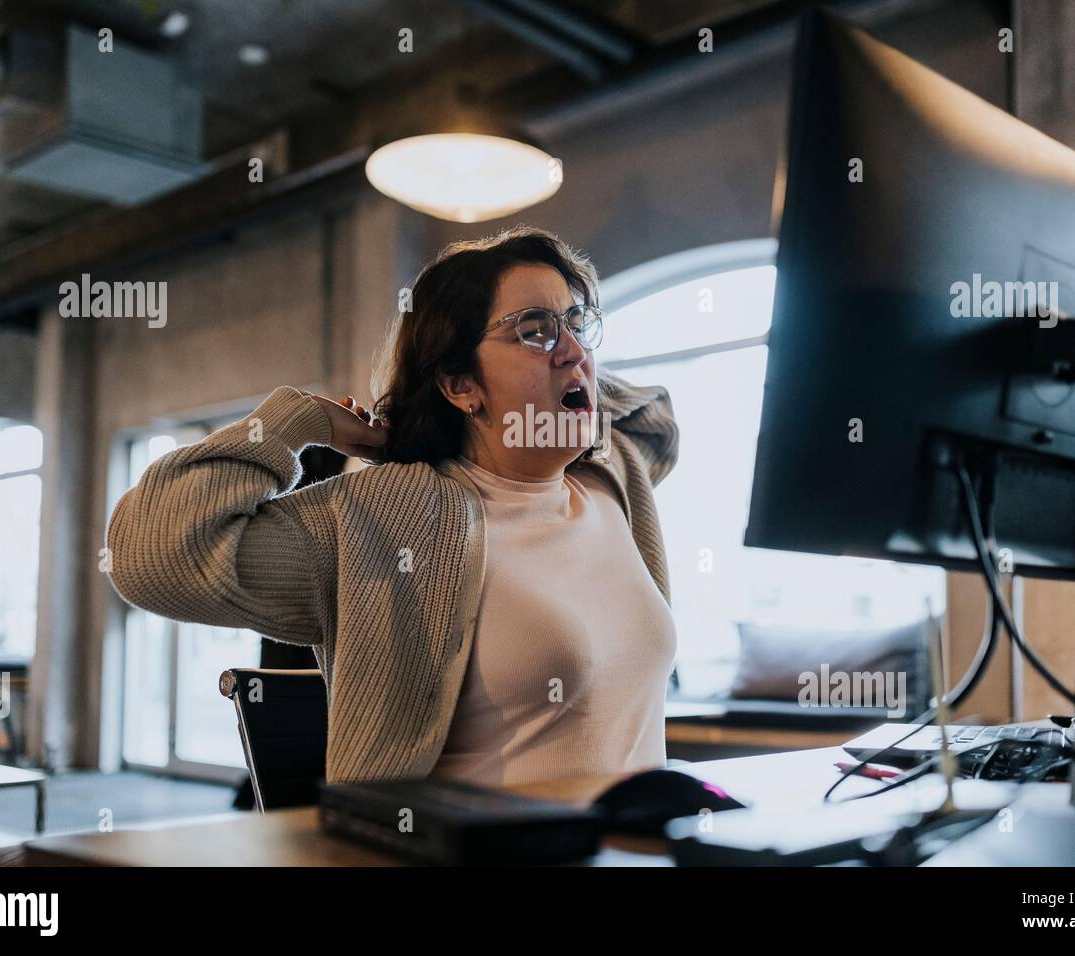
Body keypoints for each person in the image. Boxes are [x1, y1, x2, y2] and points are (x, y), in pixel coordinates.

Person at [105, 225, 680, 788]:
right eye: (533, 331)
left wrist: (566, 370)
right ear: (460, 385)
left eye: (579, 325)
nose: (575, 350)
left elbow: (654, 417)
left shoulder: (615, 474)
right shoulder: (389, 515)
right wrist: (296, 420)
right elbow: (153, 552)